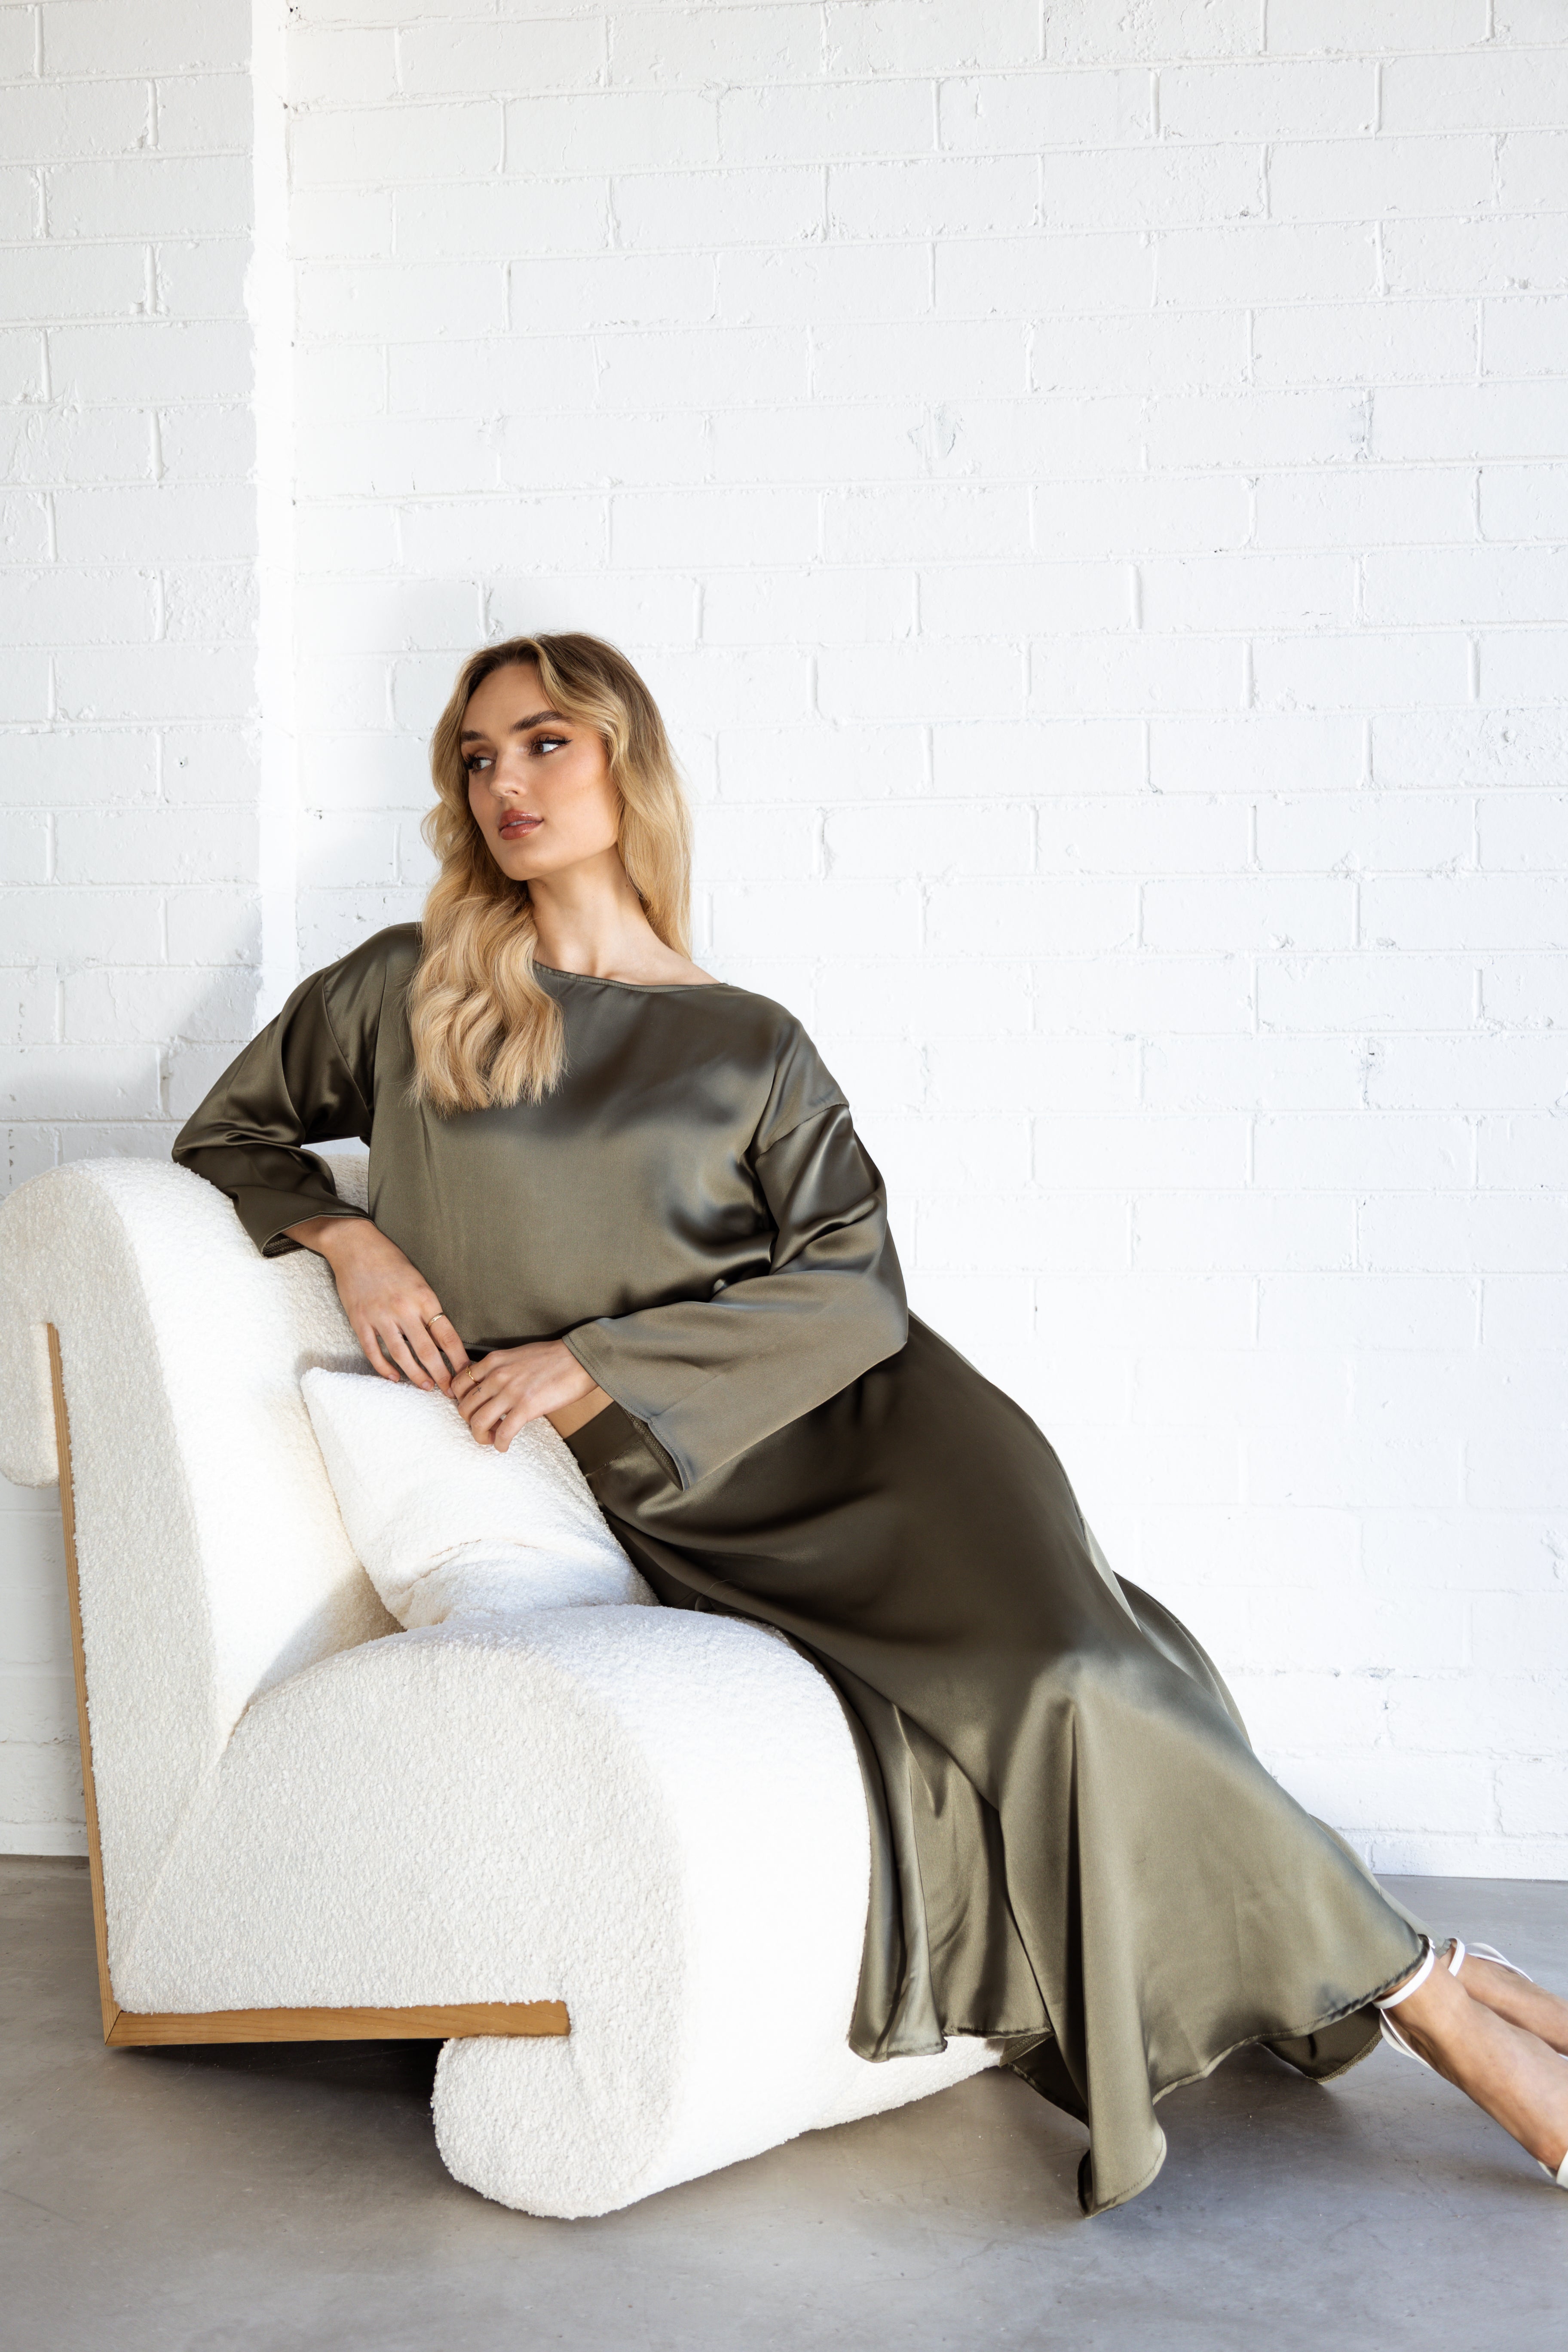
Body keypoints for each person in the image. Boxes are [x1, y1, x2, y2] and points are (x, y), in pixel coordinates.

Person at [174, 633, 1568, 2215]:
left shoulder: (746, 1040)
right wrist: (349, 1240)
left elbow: (855, 1290)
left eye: (546, 741)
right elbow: (230, 1133)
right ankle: (1442, 1989)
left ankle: (1436, 1998)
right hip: (697, 1492)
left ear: (628, 762)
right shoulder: (406, 992)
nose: (508, 781)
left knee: (1101, 1669)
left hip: (887, 1438)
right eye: (478, 757)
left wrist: (593, 1358)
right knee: (1069, 1692)